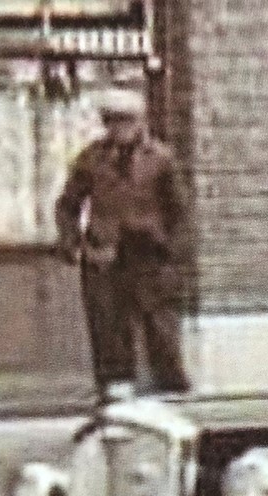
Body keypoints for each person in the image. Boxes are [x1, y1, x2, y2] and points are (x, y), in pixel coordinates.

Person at [55, 87, 190, 403]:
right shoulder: (91, 159)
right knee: (110, 332)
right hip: (106, 257)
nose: (120, 129)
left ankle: (173, 395)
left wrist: (170, 248)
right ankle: (116, 395)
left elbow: (179, 210)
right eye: (113, 122)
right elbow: (68, 204)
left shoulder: (160, 160)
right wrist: (71, 242)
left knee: (161, 331)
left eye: (127, 121)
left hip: (149, 257)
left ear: (140, 122)